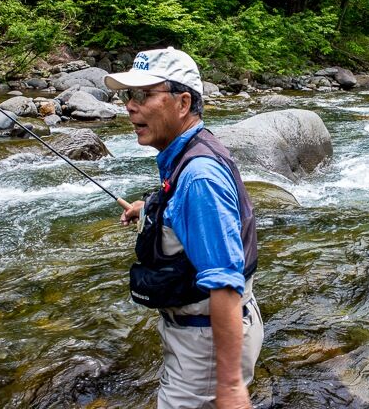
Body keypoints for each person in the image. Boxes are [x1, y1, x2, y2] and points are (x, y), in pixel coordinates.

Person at [104, 47, 263, 409]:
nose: (130, 105)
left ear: (183, 102)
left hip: (205, 346)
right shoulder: (189, 151)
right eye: (129, 95)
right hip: (200, 335)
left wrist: (230, 387)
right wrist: (152, 211)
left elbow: (223, 281)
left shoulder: (199, 176)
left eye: (145, 95)